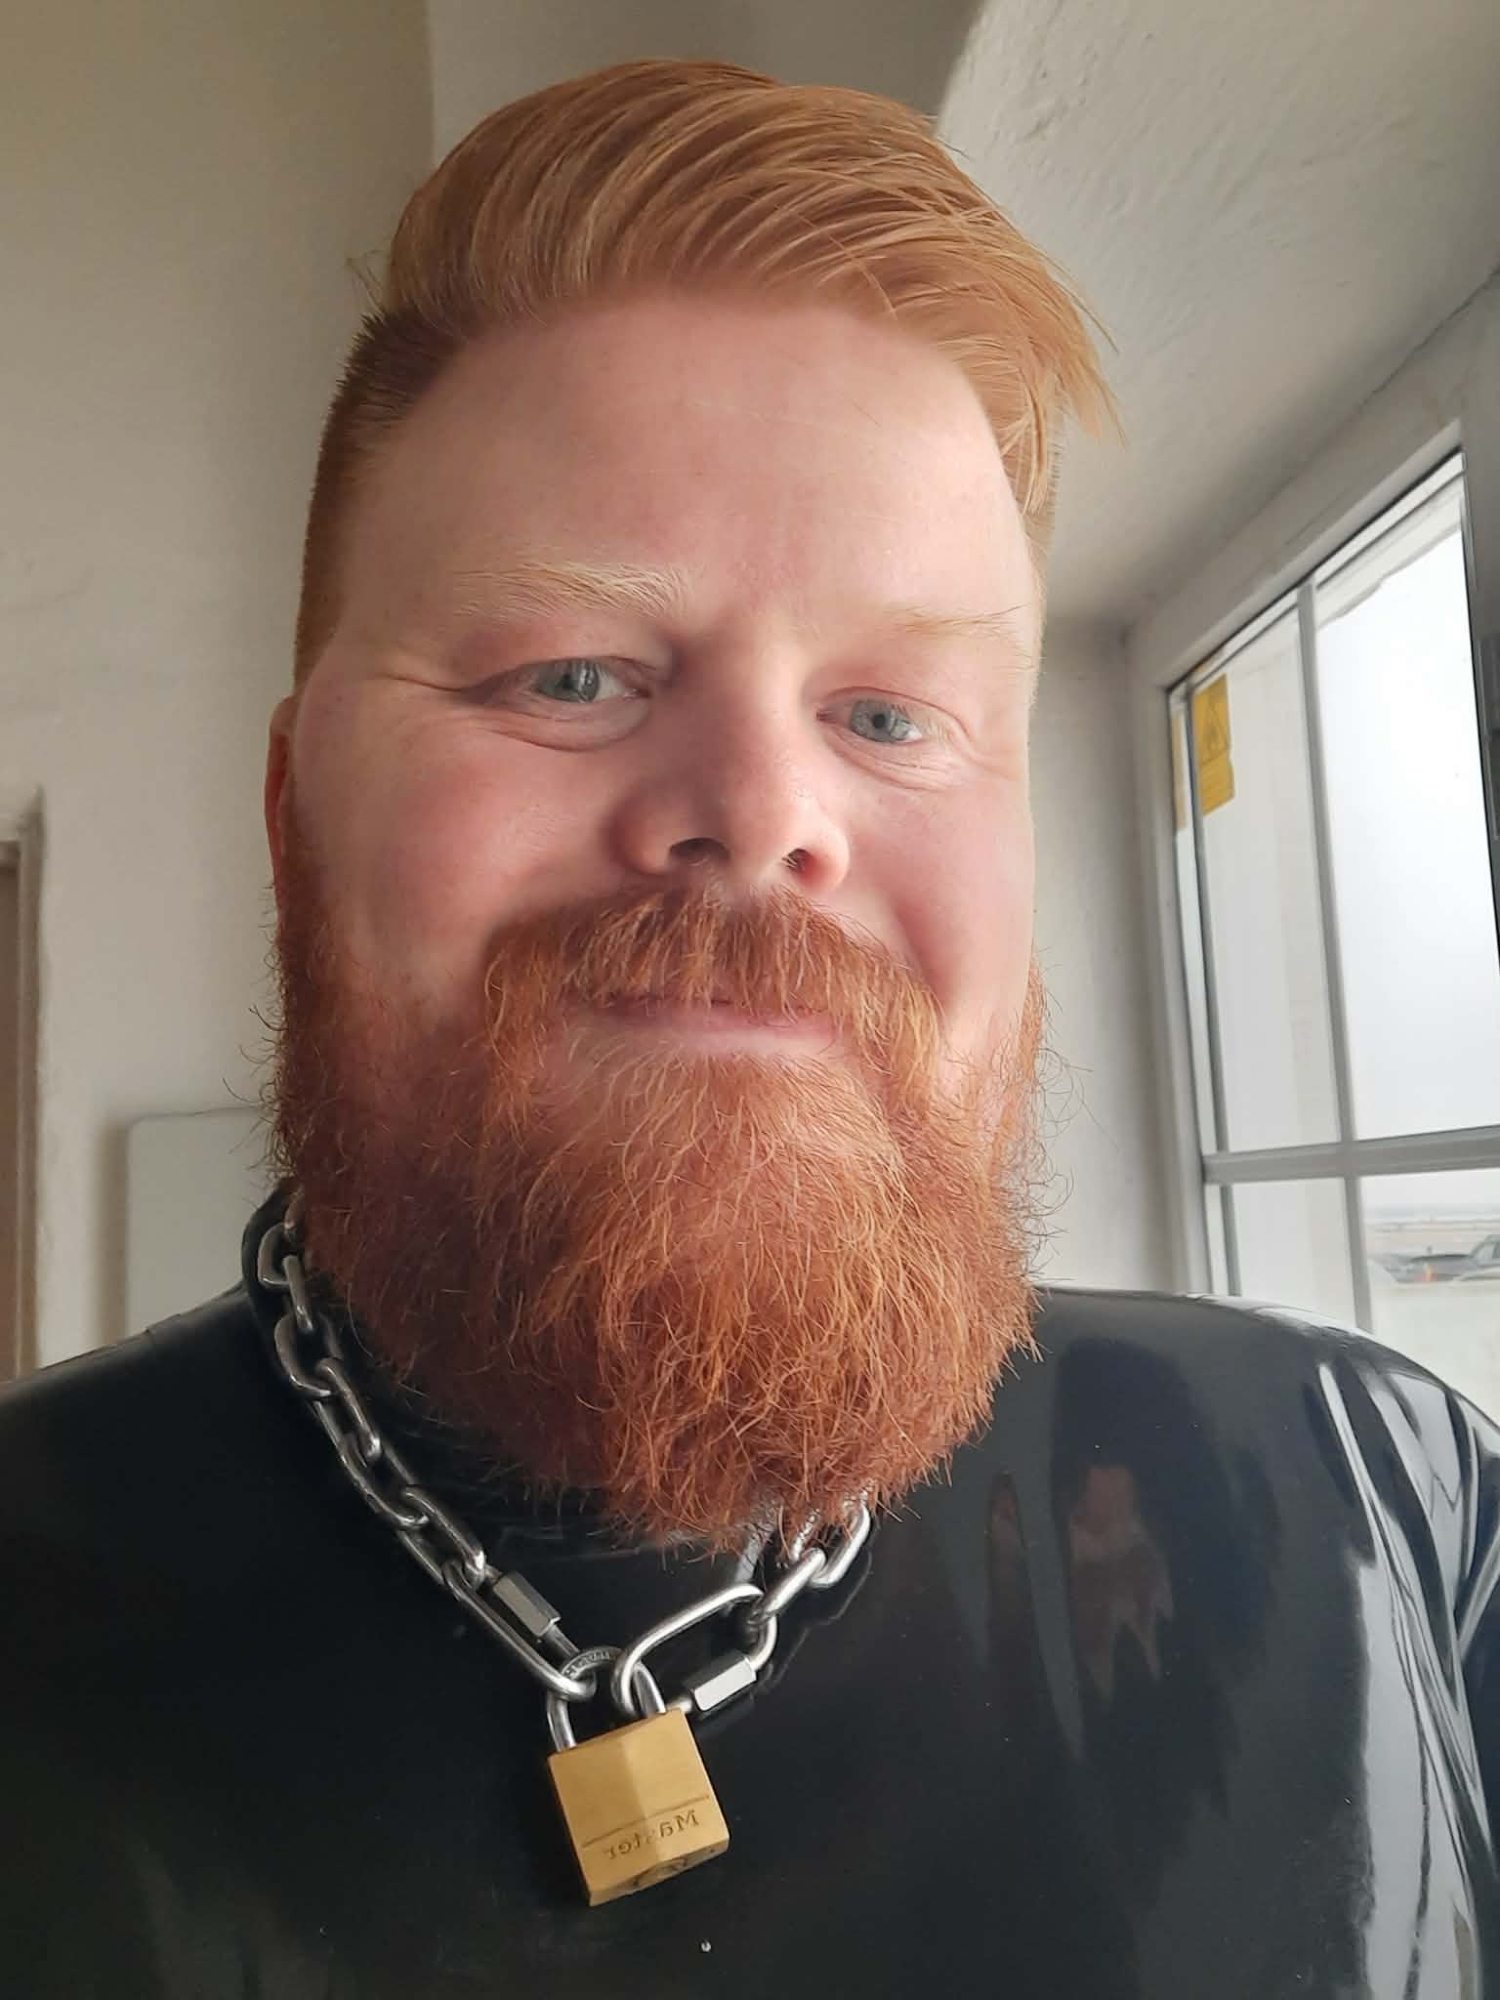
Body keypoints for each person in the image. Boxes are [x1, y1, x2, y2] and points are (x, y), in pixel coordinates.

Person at [2, 56, 1499, 1998]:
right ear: (295, 821)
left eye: (887, 715)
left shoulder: (1378, 1502)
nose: (768, 807)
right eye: (571, 674)